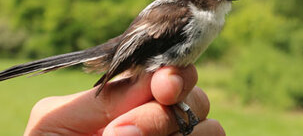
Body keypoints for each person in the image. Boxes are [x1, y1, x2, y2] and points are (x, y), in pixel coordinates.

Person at [24, 65, 225, 136]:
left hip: (154, 82)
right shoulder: (183, 12)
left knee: (166, 88)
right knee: (166, 87)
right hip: (143, 68)